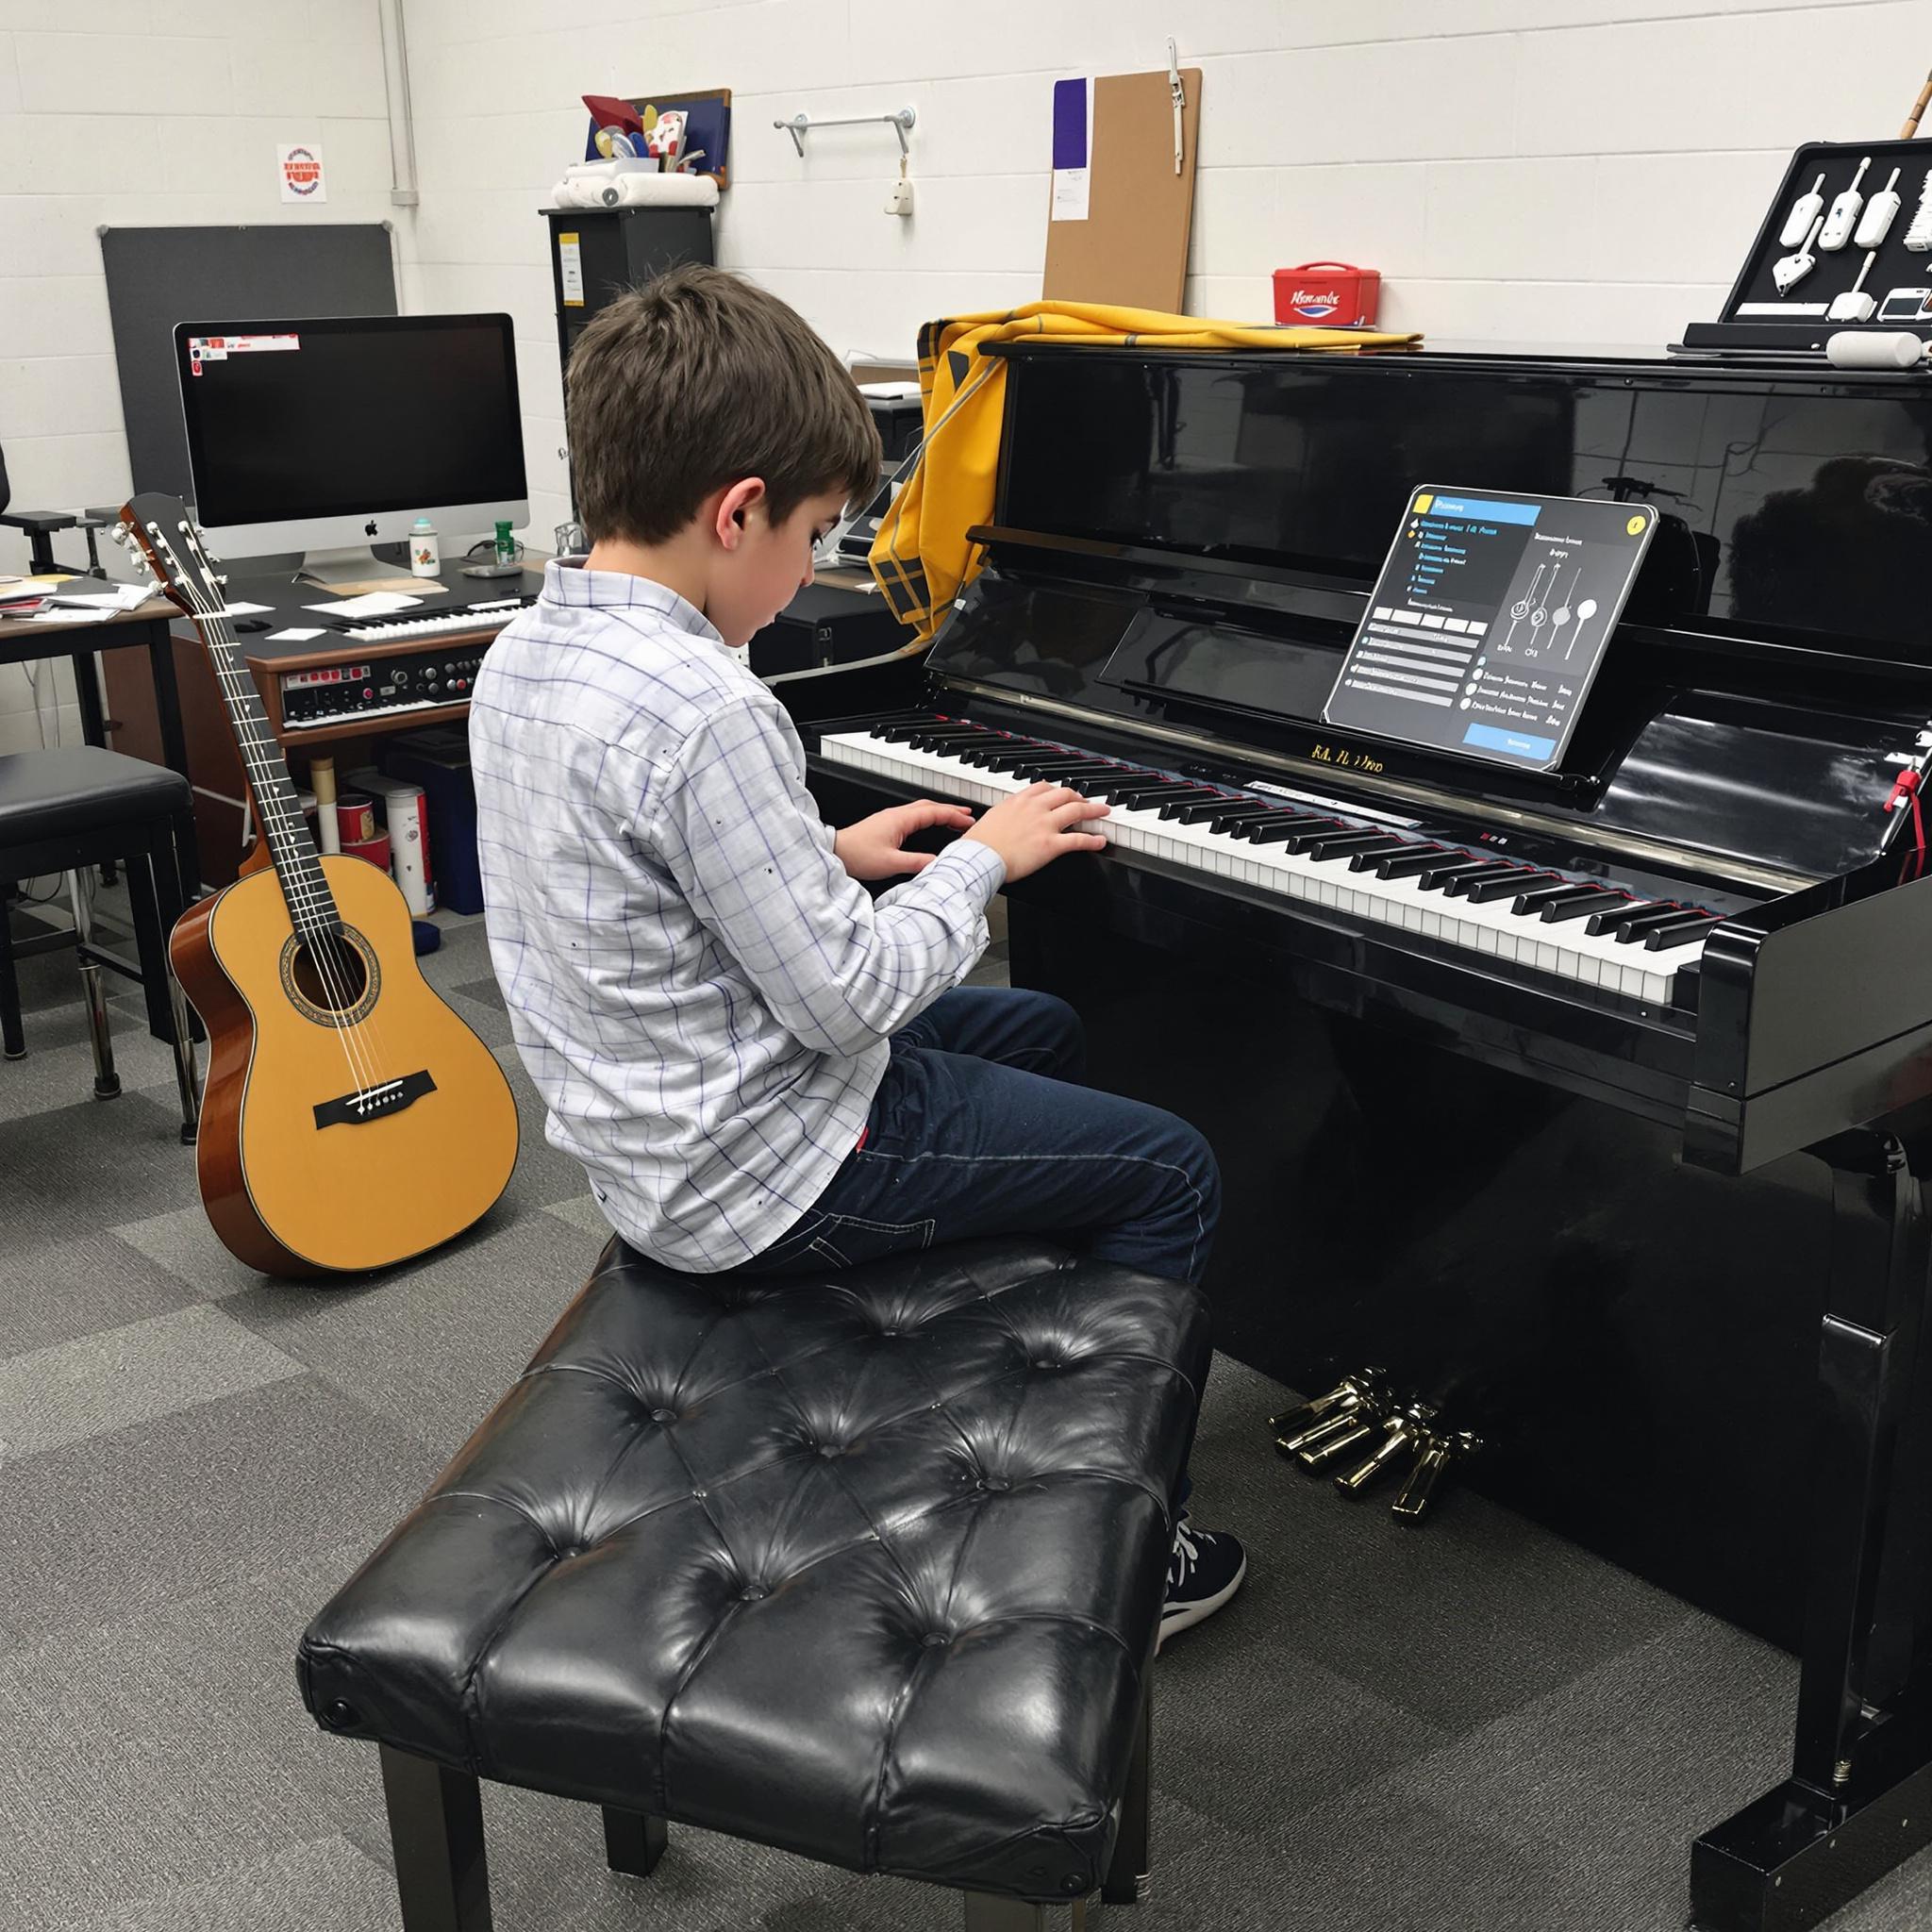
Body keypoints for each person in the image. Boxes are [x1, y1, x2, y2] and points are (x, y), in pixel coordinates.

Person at [468, 263, 1244, 1643]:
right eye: (819, 534)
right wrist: (980, 860)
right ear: (737, 511)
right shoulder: (708, 704)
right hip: (760, 1169)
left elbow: (623, 886)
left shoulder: (528, 651)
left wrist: (823, 859)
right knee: (1170, 1167)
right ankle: (1114, 1549)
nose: (815, 570)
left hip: (653, 1139)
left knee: (1044, 1034)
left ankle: (1002, 1409)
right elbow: (848, 1002)